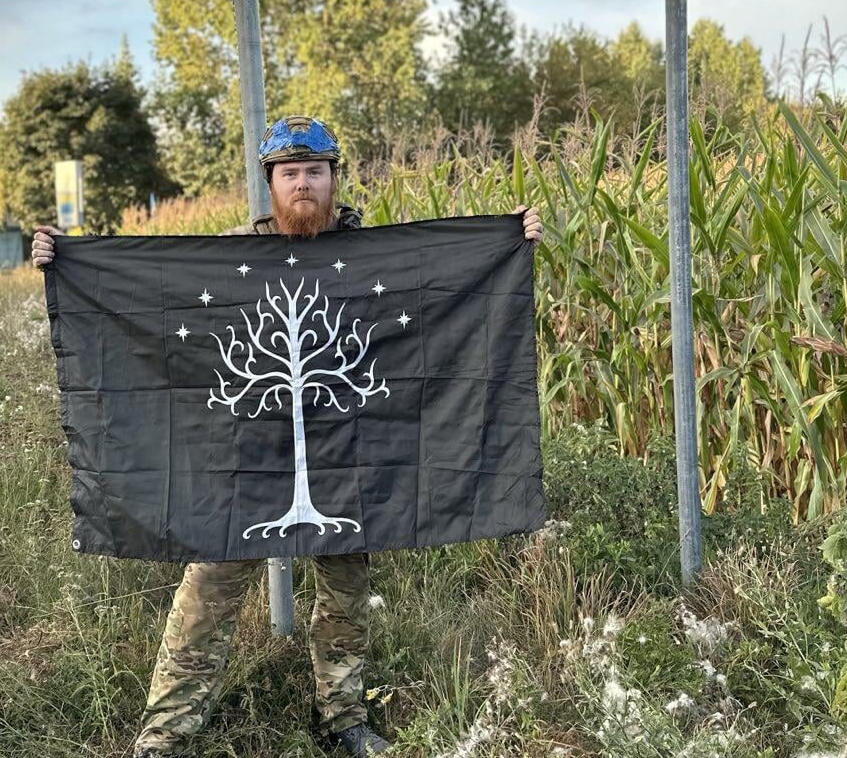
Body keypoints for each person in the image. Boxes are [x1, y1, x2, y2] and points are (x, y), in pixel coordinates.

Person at [32, 115, 543, 757]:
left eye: (315, 172)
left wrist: (510, 240)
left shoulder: (372, 256)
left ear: (334, 179)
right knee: (208, 590)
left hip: (348, 452)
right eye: (289, 174)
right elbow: (154, 296)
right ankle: (163, 734)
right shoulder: (233, 257)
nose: (303, 184)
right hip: (246, 457)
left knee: (345, 589)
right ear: (270, 184)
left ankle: (344, 717)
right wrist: (66, 260)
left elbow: (442, 281)